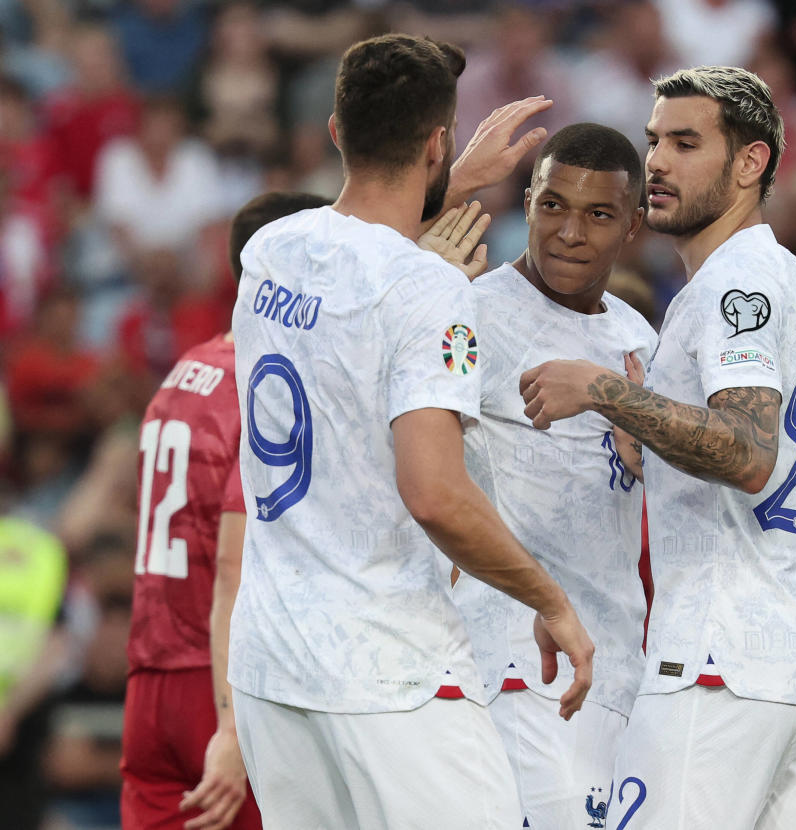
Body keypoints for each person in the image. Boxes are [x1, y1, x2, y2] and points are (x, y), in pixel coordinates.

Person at [518, 65, 796, 829]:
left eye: (687, 143)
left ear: (751, 163)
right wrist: (654, 439)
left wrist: (604, 390)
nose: (657, 161)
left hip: (721, 667)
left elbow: (750, 453)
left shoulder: (732, 292)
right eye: (655, 140)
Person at [227, 34, 594, 829]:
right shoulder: (425, 288)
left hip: (272, 665)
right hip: (389, 670)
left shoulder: (267, 252)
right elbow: (434, 494)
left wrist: (452, 179)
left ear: (335, 131)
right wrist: (549, 598)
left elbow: (354, 247)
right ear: (437, 138)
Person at [439, 122, 655, 828]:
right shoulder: (470, 316)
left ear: (632, 227)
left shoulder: (640, 340)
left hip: (618, 663)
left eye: (598, 214)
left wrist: (645, 449)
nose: (569, 232)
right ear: (527, 203)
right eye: (553, 205)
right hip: (512, 659)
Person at [120, 190, 330, 830]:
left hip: (148, 679)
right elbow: (233, 569)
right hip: (225, 682)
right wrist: (232, 725)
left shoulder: (184, 372)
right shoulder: (264, 387)